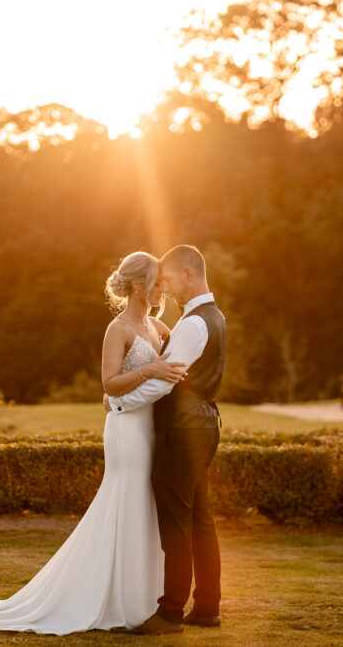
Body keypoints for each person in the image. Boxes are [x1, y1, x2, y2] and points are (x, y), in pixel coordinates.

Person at [0, 250, 186, 635]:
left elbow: (180, 365)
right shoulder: (119, 329)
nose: (163, 289)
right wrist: (149, 369)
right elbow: (109, 384)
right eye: (158, 282)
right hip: (126, 431)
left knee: (145, 505)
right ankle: (113, 599)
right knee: (126, 500)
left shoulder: (159, 328)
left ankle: (145, 599)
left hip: (151, 429)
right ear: (139, 285)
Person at [107, 244, 226, 635]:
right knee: (200, 518)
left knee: (176, 521)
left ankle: (171, 611)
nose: (168, 289)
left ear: (188, 274)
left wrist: (117, 403)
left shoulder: (192, 324)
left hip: (182, 430)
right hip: (203, 425)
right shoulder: (215, 317)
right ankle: (206, 607)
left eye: (171, 280)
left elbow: (163, 382)